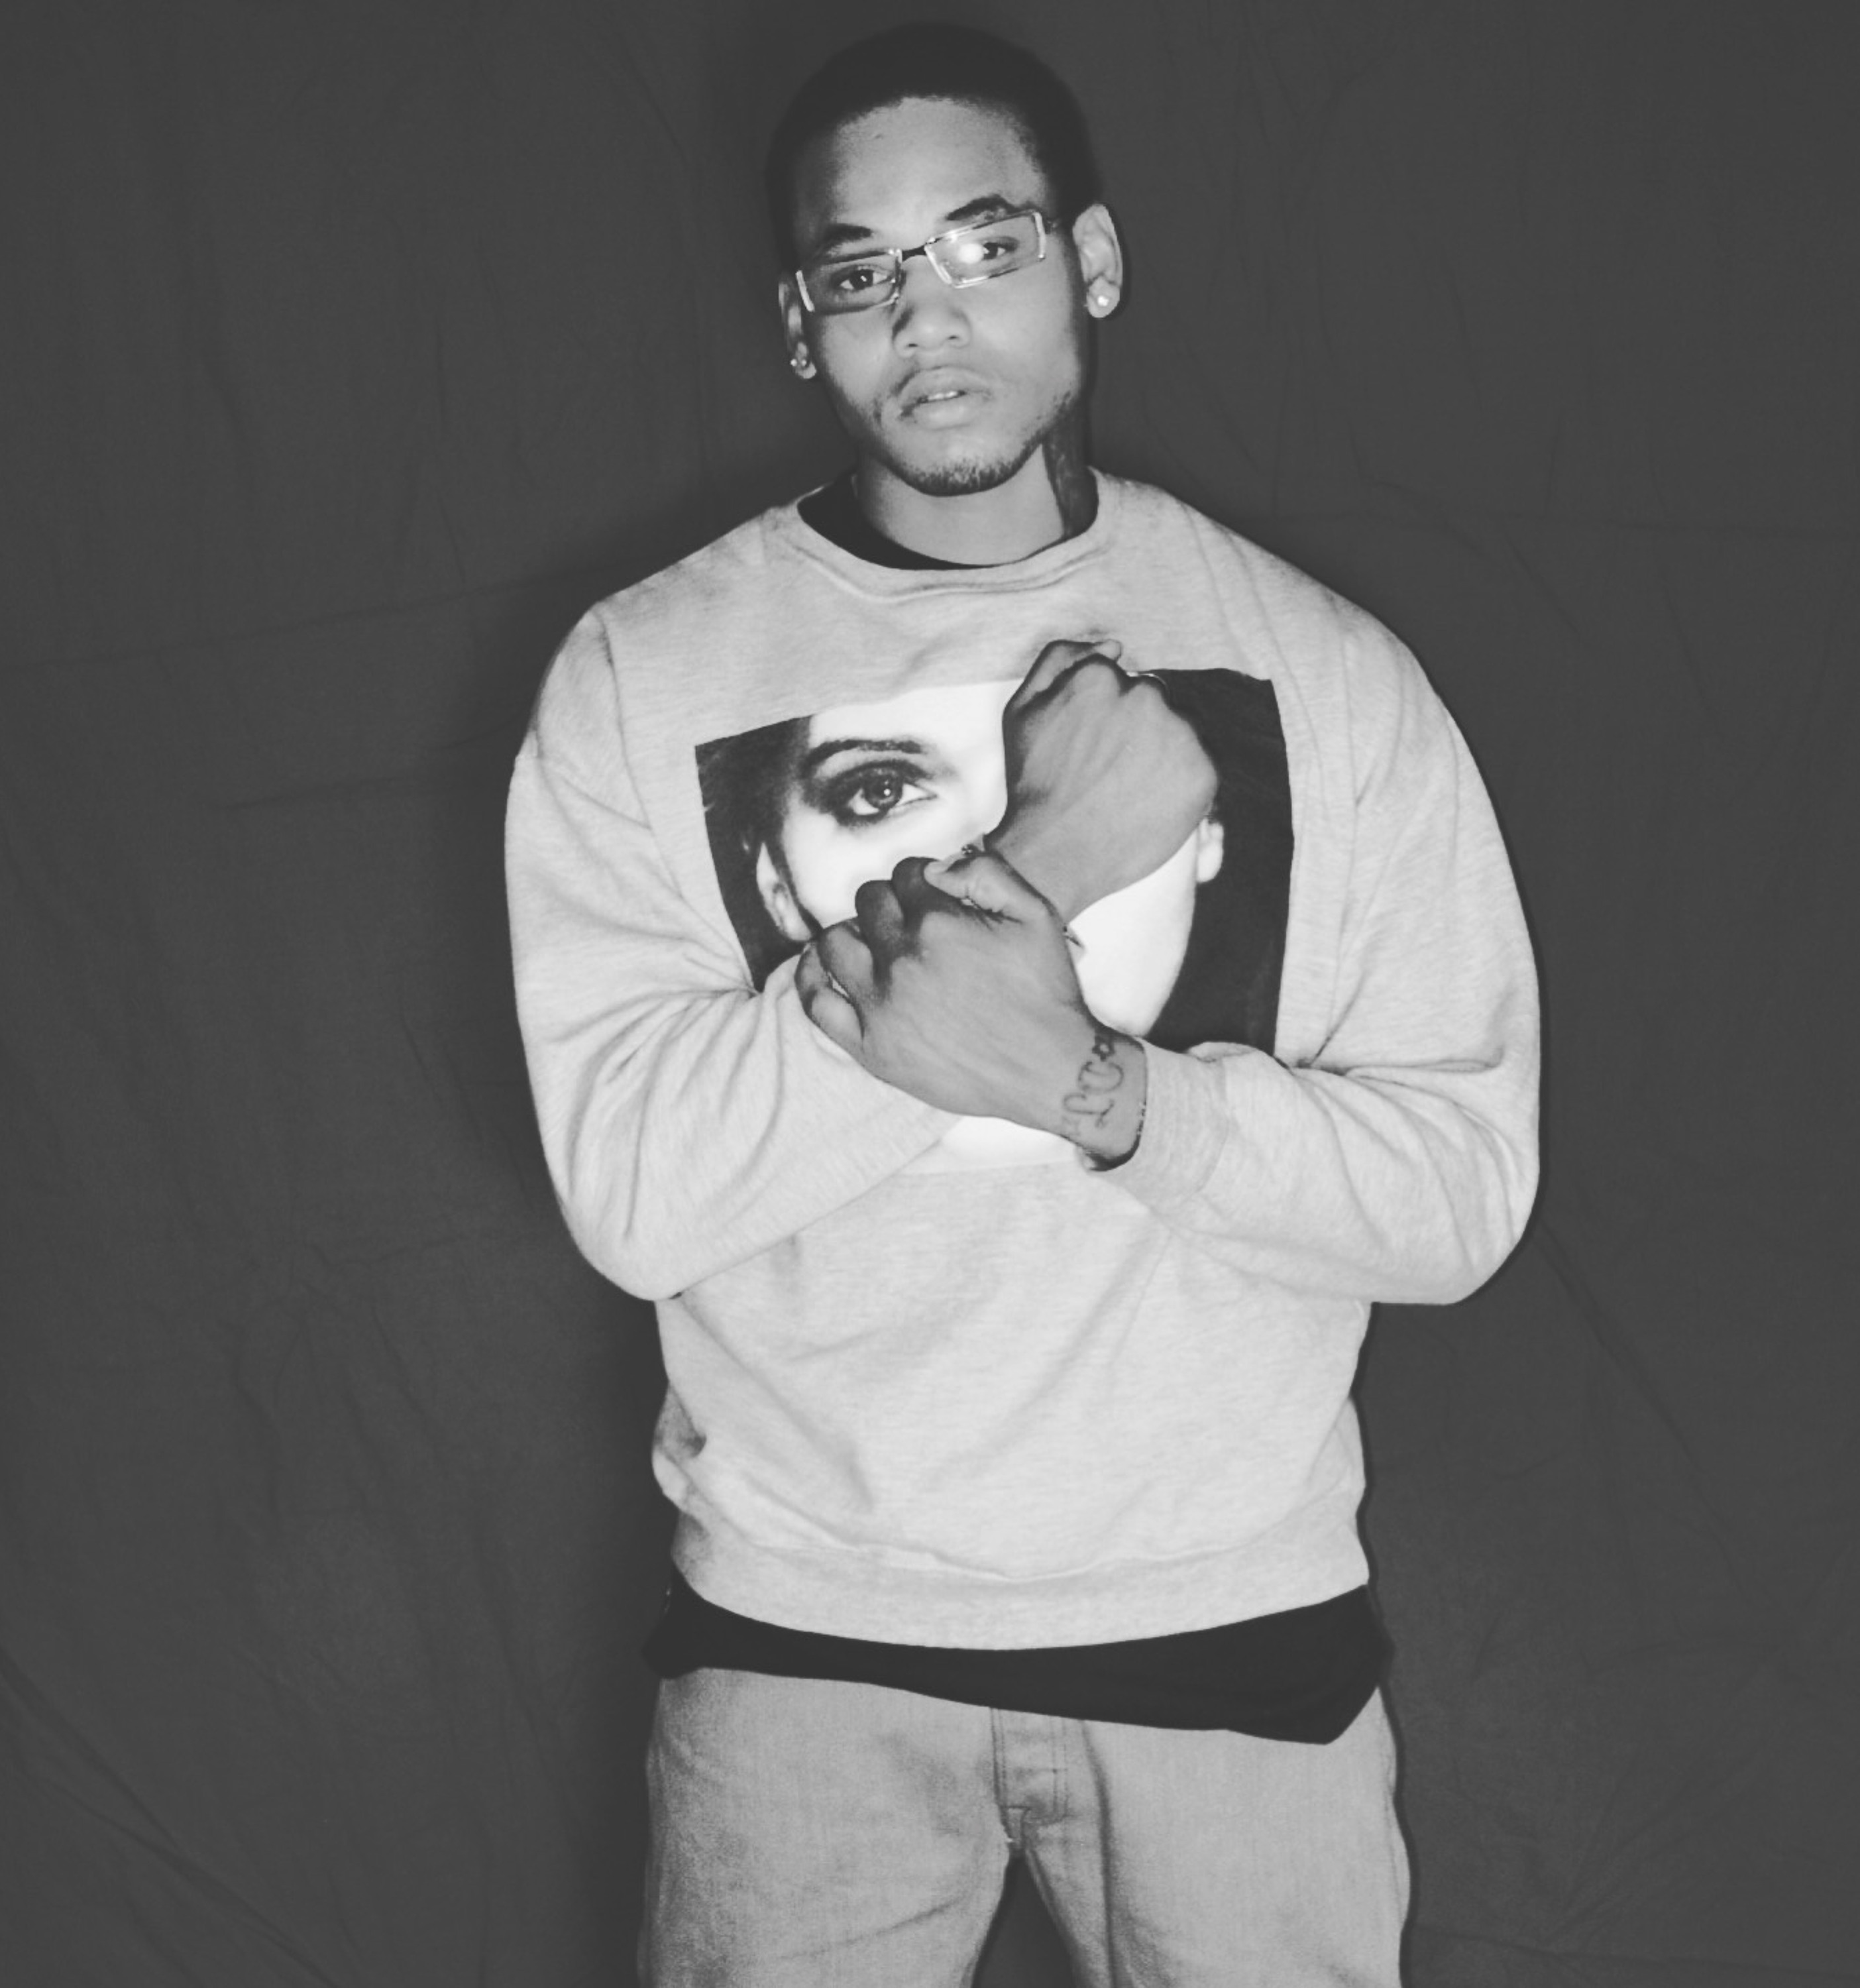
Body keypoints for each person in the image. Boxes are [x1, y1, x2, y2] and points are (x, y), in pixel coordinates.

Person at [506, 22, 1540, 1986]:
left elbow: (1460, 1198)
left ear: (1095, 263)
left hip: (1236, 1633)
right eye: (864, 271)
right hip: (802, 1647)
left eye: (985, 246)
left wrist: (1097, 1089)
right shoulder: (644, 676)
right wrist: (1049, 857)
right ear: (801, 324)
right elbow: (636, 1197)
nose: (930, 316)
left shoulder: (1326, 673)